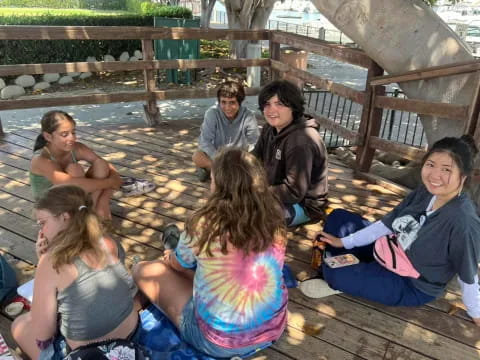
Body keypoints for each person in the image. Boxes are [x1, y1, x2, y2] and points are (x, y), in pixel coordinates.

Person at [299, 135, 480, 326]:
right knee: (338, 218)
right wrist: (342, 242)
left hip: (409, 282)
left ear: (463, 176)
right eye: (431, 165)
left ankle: (343, 273)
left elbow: (467, 276)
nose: (435, 175)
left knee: (333, 272)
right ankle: (353, 266)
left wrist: (476, 313)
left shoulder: (463, 222)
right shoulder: (426, 191)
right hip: (391, 248)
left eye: (446, 170)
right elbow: (388, 223)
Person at [133, 148, 288, 358]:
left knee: (143, 269)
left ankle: (171, 245)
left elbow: (179, 266)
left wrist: (171, 258)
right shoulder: (274, 217)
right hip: (273, 328)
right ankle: (173, 246)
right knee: (209, 273)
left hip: (220, 343)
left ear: (221, 185)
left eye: (213, 179)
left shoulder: (203, 223)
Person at [11, 185, 140, 359]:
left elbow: (44, 335)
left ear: (64, 217)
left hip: (90, 353)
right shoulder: (108, 241)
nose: (41, 232)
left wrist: (43, 262)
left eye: (43, 223)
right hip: (132, 334)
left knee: (20, 324)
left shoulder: (51, 262)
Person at [253, 80, 328, 227]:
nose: (271, 110)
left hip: (303, 206)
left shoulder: (301, 141)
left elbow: (293, 192)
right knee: (230, 204)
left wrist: (255, 192)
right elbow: (253, 158)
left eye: (279, 104)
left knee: (246, 218)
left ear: (293, 107)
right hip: (274, 192)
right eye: (267, 104)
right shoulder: (269, 129)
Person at [30, 110, 121, 219]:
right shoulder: (41, 159)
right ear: (48, 136)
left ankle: (91, 211)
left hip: (74, 198)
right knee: (75, 169)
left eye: (73, 132)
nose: (71, 138)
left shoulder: (77, 148)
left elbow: (106, 165)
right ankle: (92, 213)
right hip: (50, 207)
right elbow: (73, 184)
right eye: (64, 134)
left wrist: (107, 194)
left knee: (100, 164)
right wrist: (111, 183)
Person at [192, 81, 259, 182]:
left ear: (239, 102)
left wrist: (246, 159)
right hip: (217, 157)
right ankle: (223, 173)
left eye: (232, 102)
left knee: (257, 161)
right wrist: (220, 160)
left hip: (238, 157)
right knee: (197, 156)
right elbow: (204, 142)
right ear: (219, 101)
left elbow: (255, 143)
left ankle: (213, 173)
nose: (227, 108)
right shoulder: (212, 113)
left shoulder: (248, 116)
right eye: (223, 102)